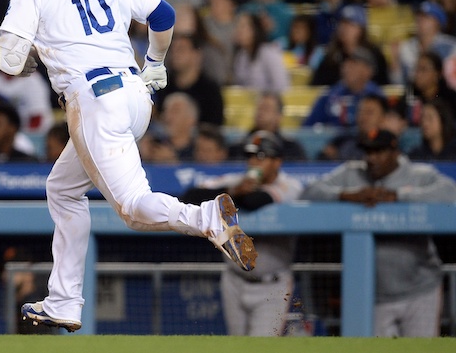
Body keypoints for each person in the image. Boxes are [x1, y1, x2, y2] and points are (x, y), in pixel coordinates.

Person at [0, 0, 257, 332]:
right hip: (135, 95)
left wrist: (26, 54)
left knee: (134, 209)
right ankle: (64, 302)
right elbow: (164, 13)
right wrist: (154, 60)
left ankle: (208, 218)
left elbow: (8, 62)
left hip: (94, 101)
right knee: (62, 189)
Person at [301, 128, 456, 337]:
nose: (372, 158)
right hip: (373, 293)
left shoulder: (417, 174)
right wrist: (345, 195)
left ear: (395, 152)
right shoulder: (352, 172)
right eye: (368, 152)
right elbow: (310, 191)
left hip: (421, 289)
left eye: (379, 152)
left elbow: (450, 192)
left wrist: (398, 196)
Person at [182, 130, 303, 336]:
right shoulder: (236, 181)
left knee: (261, 347)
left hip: (271, 285)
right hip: (234, 280)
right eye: (250, 156)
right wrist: (233, 191)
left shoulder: (290, 186)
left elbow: (256, 201)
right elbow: (190, 196)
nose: (254, 162)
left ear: (277, 161)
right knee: (236, 345)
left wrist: (232, 195)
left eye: (261, 157)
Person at [303, 47, 385, 128]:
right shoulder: (329, 95)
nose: (347, 68)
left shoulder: (376, 97)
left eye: (354, 64)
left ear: (368, 71)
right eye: (345, 64)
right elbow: (307, 128)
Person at [228, 91, 307, 161]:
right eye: (259, 108)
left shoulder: (291, 148)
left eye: (266, 108)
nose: (260, 112)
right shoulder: (239, 147)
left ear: (279, 116)